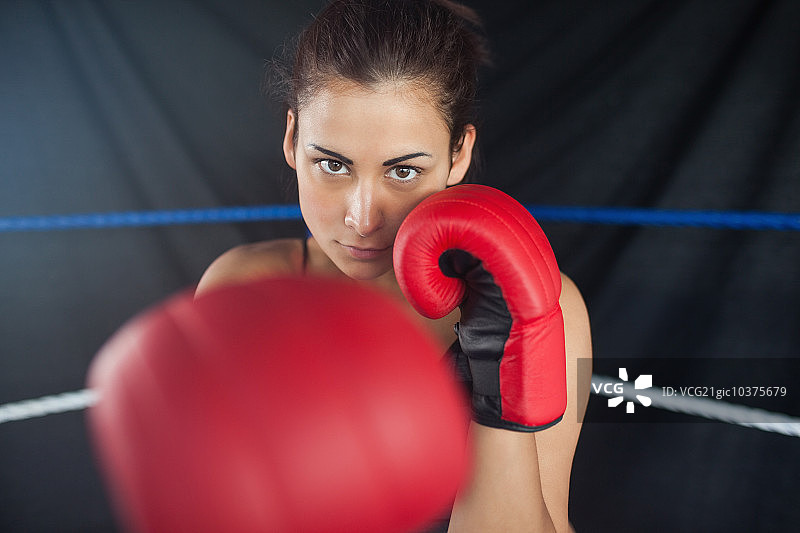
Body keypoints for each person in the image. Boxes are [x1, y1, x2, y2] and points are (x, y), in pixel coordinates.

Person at [196, 1, 592, 531]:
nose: (362, 218)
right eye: (332, 165)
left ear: (458, 155)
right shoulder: (243, 292)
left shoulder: (547, 305)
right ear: (293, 140)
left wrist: (500, 367)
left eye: (402, 171)